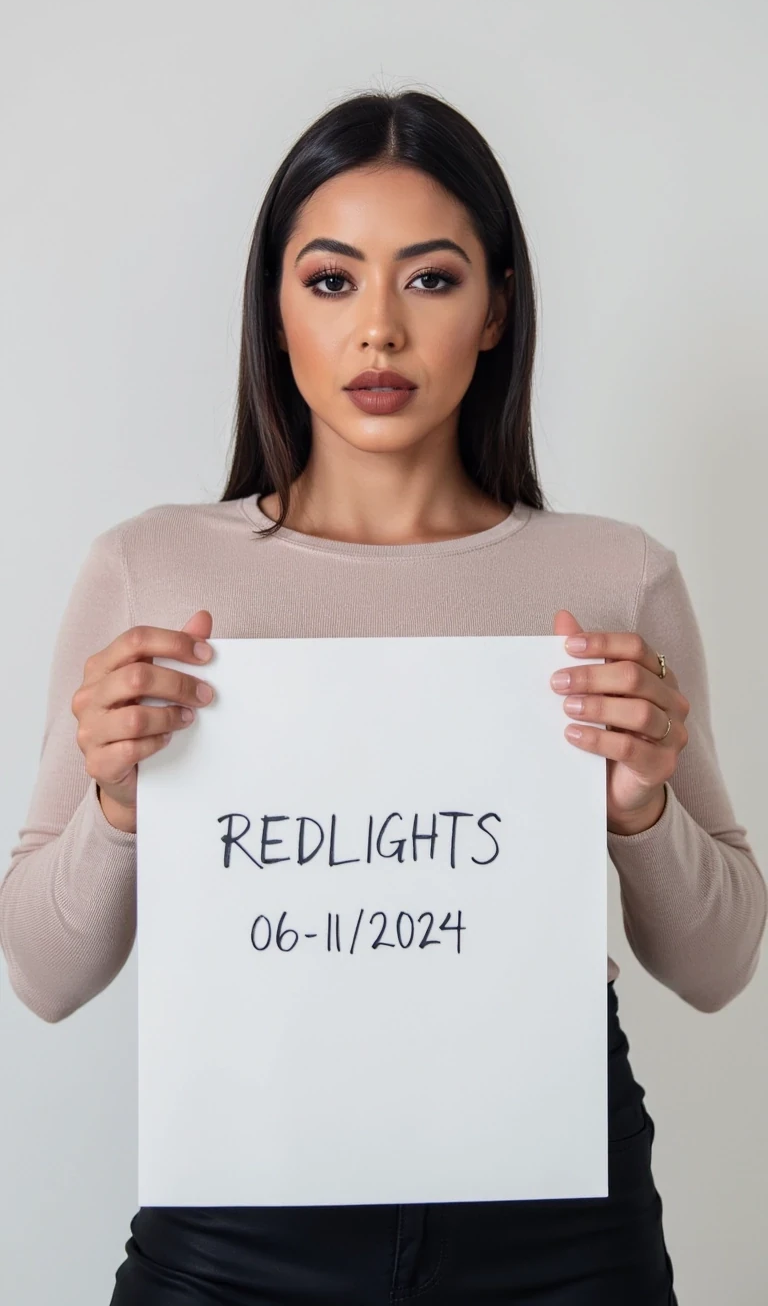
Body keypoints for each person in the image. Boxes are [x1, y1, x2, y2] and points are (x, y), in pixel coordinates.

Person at [2, 87, 765, 1305]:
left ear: (497, 308)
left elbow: (721, 962)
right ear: (274, 309)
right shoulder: (154, 571)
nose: (379, 335)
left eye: (430, 279)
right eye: (331, 279)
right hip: (241, 1208)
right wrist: (118, 805)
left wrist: (639, 811)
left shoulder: (613, 576)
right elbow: (42, 974)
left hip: (555, 1215)